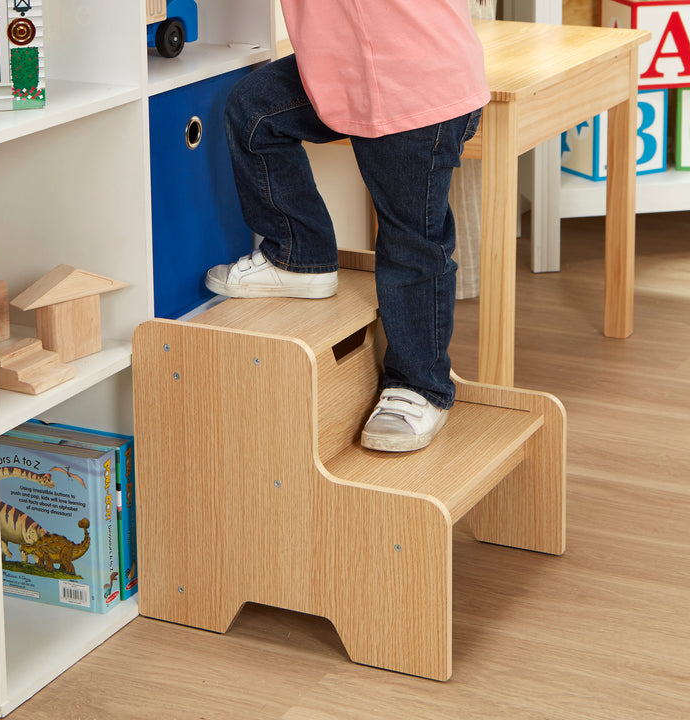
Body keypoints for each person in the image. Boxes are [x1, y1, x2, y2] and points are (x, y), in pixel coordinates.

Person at [206, 0, 490, 452]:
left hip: (417, 84)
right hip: (349, 68)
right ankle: (301, 256)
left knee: (411, 242)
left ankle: (422, 386)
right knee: (255, 110)